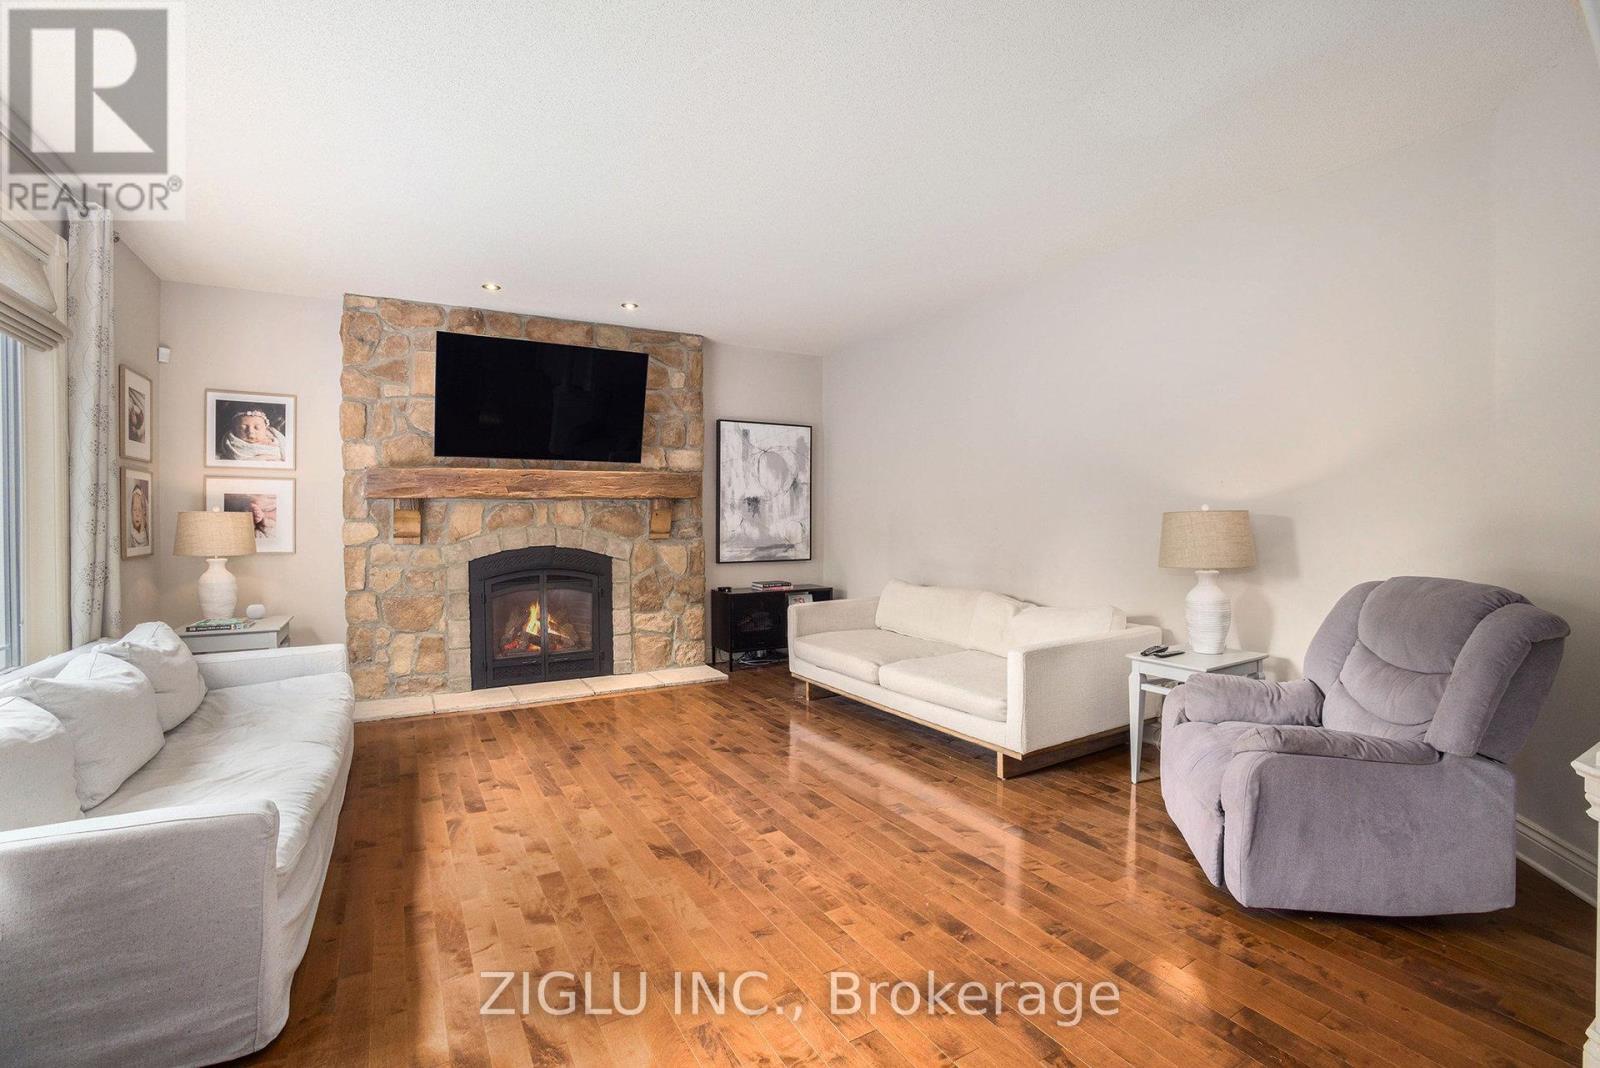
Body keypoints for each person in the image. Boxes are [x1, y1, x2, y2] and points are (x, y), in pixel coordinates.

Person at [220, 406, 287, 462]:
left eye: (257, 427)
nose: (250, 432)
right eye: (243, 428)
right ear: (235, 429)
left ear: (265, 428)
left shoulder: (275, 440)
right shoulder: (232, 444)